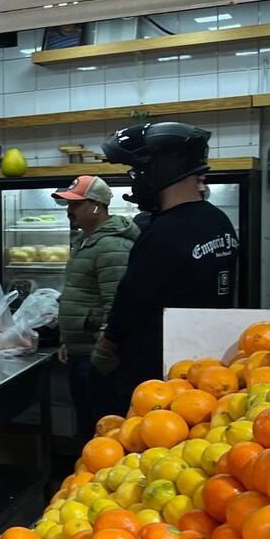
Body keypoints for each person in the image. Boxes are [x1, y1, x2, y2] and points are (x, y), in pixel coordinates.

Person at [100, 122, 239, 403]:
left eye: (138, 171)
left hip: (156, 376)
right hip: (206, 368)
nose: (136, 180)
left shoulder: (162, 232)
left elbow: (131, 300)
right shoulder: (219, 221)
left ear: (162, 169)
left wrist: (107, 344)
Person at [52, 174, 139, 437]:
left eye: (76, 204)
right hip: (81, 350)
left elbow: (117, 303)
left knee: (103, 429)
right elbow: (80, 293)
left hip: (96, 355)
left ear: (96, 206)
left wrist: (102, 355)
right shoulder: (85, 240)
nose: (69, 211)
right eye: (69, 204)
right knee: (87, 425)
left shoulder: (113, 245)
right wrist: (67, 339)